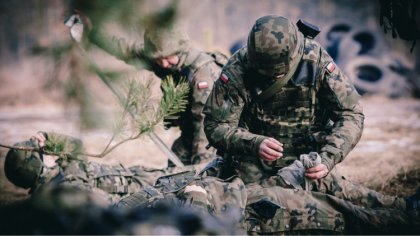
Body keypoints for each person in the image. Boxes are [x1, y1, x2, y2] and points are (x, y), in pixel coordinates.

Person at [200, 15, 420, 233]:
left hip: (306, 156)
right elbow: (216, 126)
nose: (272, 77)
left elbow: (351, 113)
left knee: (330, 188)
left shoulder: (315, 60)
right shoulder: (237, 69)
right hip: (253, 163)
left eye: (279, 71)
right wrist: (253, 143)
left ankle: (404, 209)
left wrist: (328, 157)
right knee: (271, 208)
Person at [65, 12, 227, 166]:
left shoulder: (202, 74)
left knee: (202, 175)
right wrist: (91, 33)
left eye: (166, 58)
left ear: (179, 49)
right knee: (174, 171)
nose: (163, 64)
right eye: (157, 59)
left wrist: (203, 167)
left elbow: (206, 124)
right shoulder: (168, 60)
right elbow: (126, 50)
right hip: (190, 135)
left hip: (217, 138)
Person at [4, 131, 200, 204]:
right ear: (35, 168)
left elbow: (77, 146)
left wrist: (49, 137)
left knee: (203, 170)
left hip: (140, 177)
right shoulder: (60, 190)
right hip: (149, 189)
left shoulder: (60, 171)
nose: (49, 151)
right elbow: (113, 206)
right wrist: (163, 195)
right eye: (42, 153)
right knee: (206, 176)